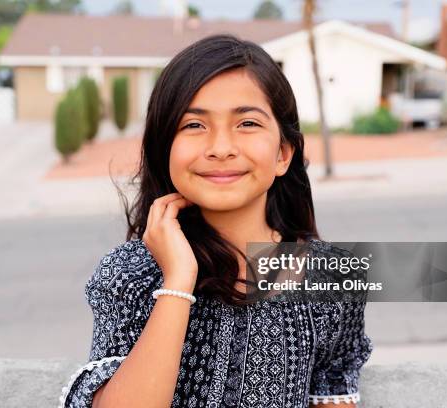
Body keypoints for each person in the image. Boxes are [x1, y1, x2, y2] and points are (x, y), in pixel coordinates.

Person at [59, 33, 373, 408]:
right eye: (194, 125)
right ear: (165, 150)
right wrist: (177, 281)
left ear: (283, 154)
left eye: (247, 124)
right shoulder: (130, 275)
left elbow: (332, 397)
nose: (221, 148)